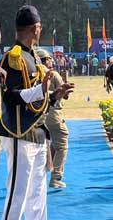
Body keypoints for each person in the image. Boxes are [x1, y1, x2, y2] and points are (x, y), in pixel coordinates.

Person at [0, 5, 75, 220]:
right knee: (17, 194)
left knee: (38, 195)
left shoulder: (34, 57)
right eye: (39, 27)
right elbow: (10, 96)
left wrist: (55, 95)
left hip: (38, 131)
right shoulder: (13, 57)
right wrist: (40, 90)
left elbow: (37, 101)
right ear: (34, 28)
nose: (40, 31)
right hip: (19, 132)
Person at [37, 49, 70, 189]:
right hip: (53, 113)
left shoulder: (33, 74)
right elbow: (65, 94)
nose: (52, 60)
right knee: (62, 144)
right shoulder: (53, 74)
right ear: (45, 60)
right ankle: (56, 177)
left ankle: (44, 171)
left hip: (38, 115)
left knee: (49, 144)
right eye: (49, 58)